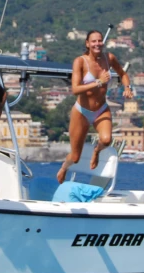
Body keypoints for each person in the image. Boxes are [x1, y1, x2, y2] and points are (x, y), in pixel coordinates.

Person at [56, 30, 133, 184]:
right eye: (94, 41)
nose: (97, 43)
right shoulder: (80, 62)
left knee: (106, 140)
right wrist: (98, 81)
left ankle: (96, 151)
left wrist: (127, 87)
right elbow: (75, 89)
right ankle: (64, 167)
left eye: (99, 40)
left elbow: (123, 74)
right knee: (75, 157)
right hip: (82, 112)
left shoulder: (109, 58)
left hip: (101, 109)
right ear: (87, 44)